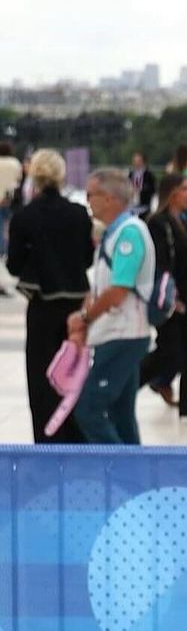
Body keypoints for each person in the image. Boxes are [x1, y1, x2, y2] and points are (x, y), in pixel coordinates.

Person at [5, 149, 94, 442]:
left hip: (42, 305)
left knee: (43, 376)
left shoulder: (24, 217)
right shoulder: (79, 214)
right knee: (74, 372)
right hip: (76, 308)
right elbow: (87, 258)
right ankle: (75, 435)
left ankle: (47, 438)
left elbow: (14, 264)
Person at [67, 169, 155, 445]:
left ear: (109, 198)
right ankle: (134, 478)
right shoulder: (114, 234)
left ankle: (120, 474)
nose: (87, 201)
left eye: (91, 195)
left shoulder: (129, 234)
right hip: (116, 333)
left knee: (89, 409)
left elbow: (118, 291)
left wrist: (85, 317)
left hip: (123, 335)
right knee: (121, 414)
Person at [142, 173, 187, 421]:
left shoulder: (183, 221)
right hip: (171, 299)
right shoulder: (158, 223)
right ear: (172, 193)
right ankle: (132, 381)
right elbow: (160, 262)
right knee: (170, 351)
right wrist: (173, 296)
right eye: (184, 189)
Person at [129, 151, 156, 217]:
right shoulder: (131, 174)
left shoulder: (149, 175)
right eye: (135, 161)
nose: (136, 163)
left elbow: (153, 189)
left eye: (138, 161)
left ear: (143, 162)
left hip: (144, 205)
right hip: (132, 205)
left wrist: (140, 189)